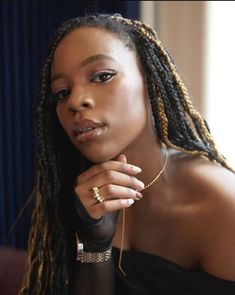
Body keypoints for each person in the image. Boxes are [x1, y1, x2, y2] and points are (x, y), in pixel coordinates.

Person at [20, 13, 235, 295]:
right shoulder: (79, 193)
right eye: (62, 92)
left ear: (149, 81)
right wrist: (94, 243)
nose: (75, 101)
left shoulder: (220, 205)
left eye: (102, 76)